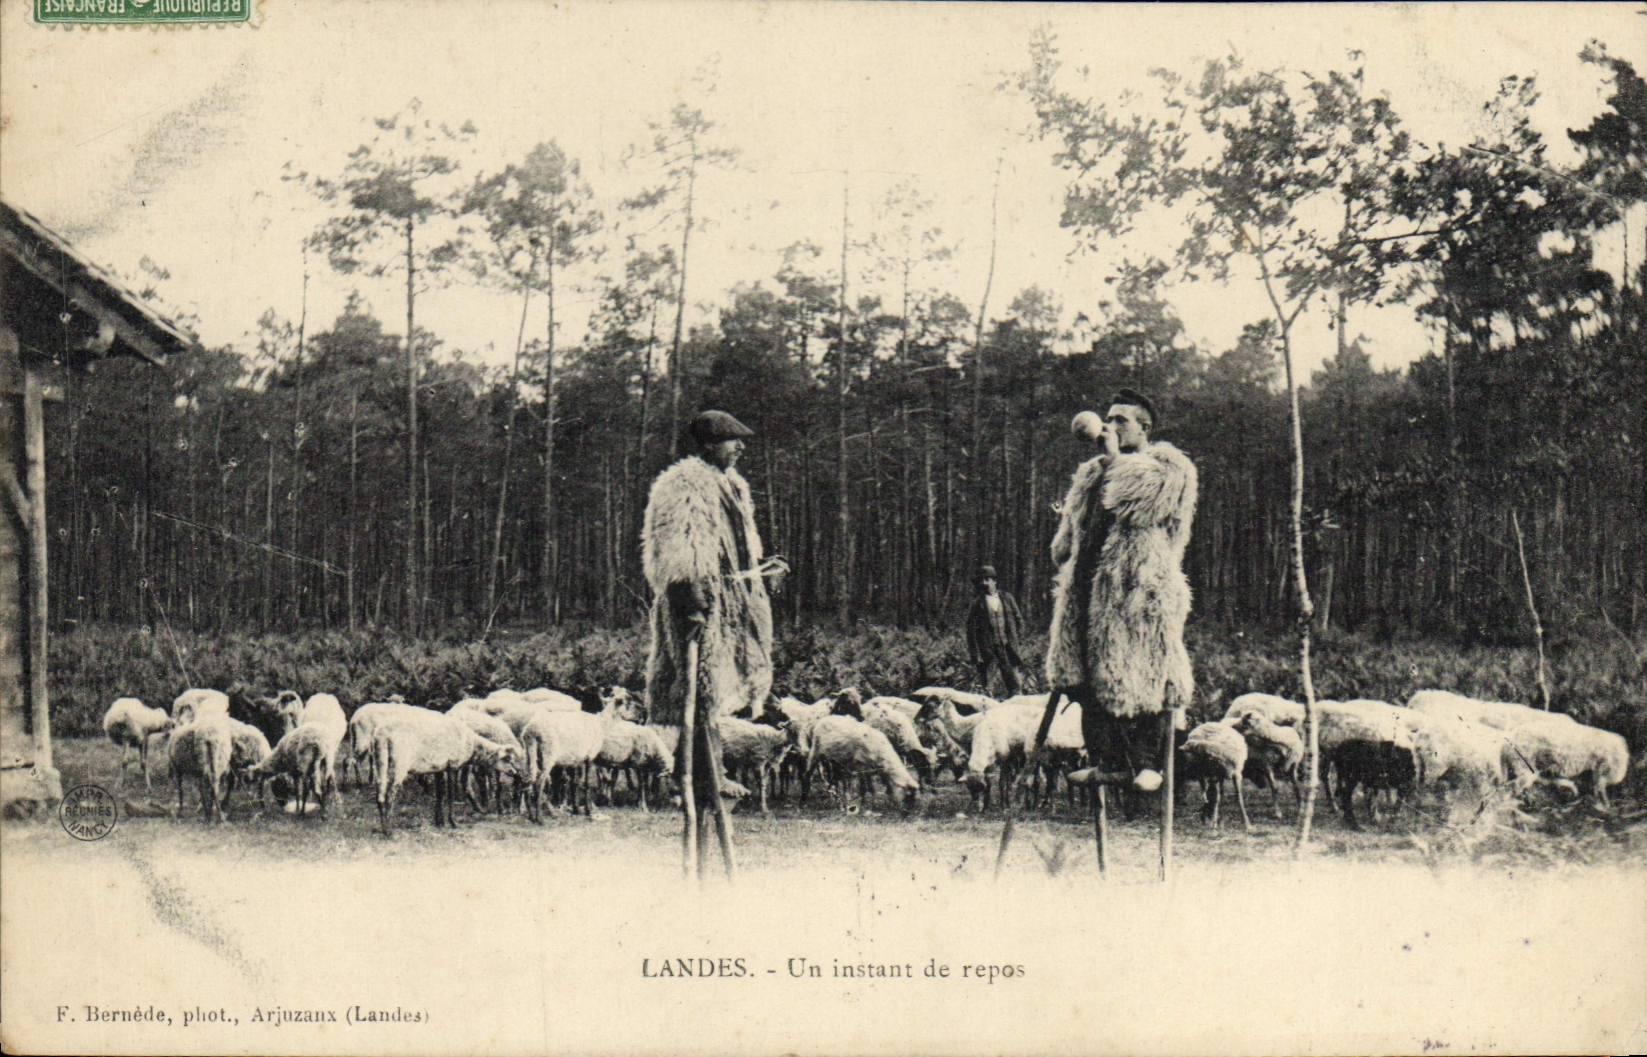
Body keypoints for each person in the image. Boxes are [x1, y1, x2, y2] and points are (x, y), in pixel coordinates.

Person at [1039, 388, 1197, 790]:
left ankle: (1148, 764)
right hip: (1090, 590)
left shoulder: (1169, 466)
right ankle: (1106, 760)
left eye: (1120, 420)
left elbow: (1142, 504)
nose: (1109, 426)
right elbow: (1069, 532)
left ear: (1144, 428)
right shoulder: (1092, 472)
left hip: (1139, 593)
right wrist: (1065, 542)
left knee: (1144, 675)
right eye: (1107, 418)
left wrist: (1113, 458)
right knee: (1089, 679)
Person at [642, 409, 775, 875]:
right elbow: (680, 548)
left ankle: (708, 773)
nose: (740, 448)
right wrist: (692, 599)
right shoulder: (683, 486)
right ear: (708, 444)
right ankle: (701, 775)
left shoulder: (732, 486)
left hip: (733, 604)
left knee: (719, 693)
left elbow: (737, 548)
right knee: (698, 690)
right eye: (731, 441)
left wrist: (760, 573)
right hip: (701, 607)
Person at [966, 565, 1027, 696]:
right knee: (988, 687)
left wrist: (1017, 640)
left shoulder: (1007, 598)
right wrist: (975, 655)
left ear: (994, 581)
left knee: (1015, 684)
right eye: (982, 580)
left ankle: (1014, 703)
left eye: (987, 580)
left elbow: (1019, 620)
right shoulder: (977, 603)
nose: (984, 583)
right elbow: (971, 631)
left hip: (1007, 647)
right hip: (988, 650)